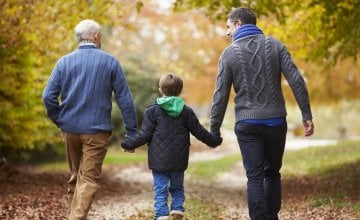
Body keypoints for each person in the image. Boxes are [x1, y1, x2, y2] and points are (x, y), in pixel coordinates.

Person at [210, 7, 314, 220]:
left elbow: (220, 95)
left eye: (228, 27)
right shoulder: (276, 45)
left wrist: (214, 128)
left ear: (239, 23)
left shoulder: (228, 55)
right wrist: (306, 114)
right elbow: (296, 80)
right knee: (272, 173)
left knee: (255, 177)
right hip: (276, 121)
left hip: (247, 123)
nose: (227, 33)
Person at [42, 19, 138, 219]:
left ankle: (74, 215)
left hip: (70, 129)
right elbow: (125, 99)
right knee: (89, 180)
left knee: (77, 177)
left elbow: (47, 96)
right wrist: (131, 133)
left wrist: (60, 119)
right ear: (96, 36)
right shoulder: (110, 62)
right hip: (96, 131)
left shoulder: (64, 62)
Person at [121, 74, 222, 220]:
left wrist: (128, 144)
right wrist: (214, 141)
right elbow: (199, 132)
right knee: (177, 187)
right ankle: (177, 209)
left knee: (160, 189)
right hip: (178, 160)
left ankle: (161, 215)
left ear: (160, 90)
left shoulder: (153, 111)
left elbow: (144, 134)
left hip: (159, 160)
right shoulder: (186, 112)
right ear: (180, 91)